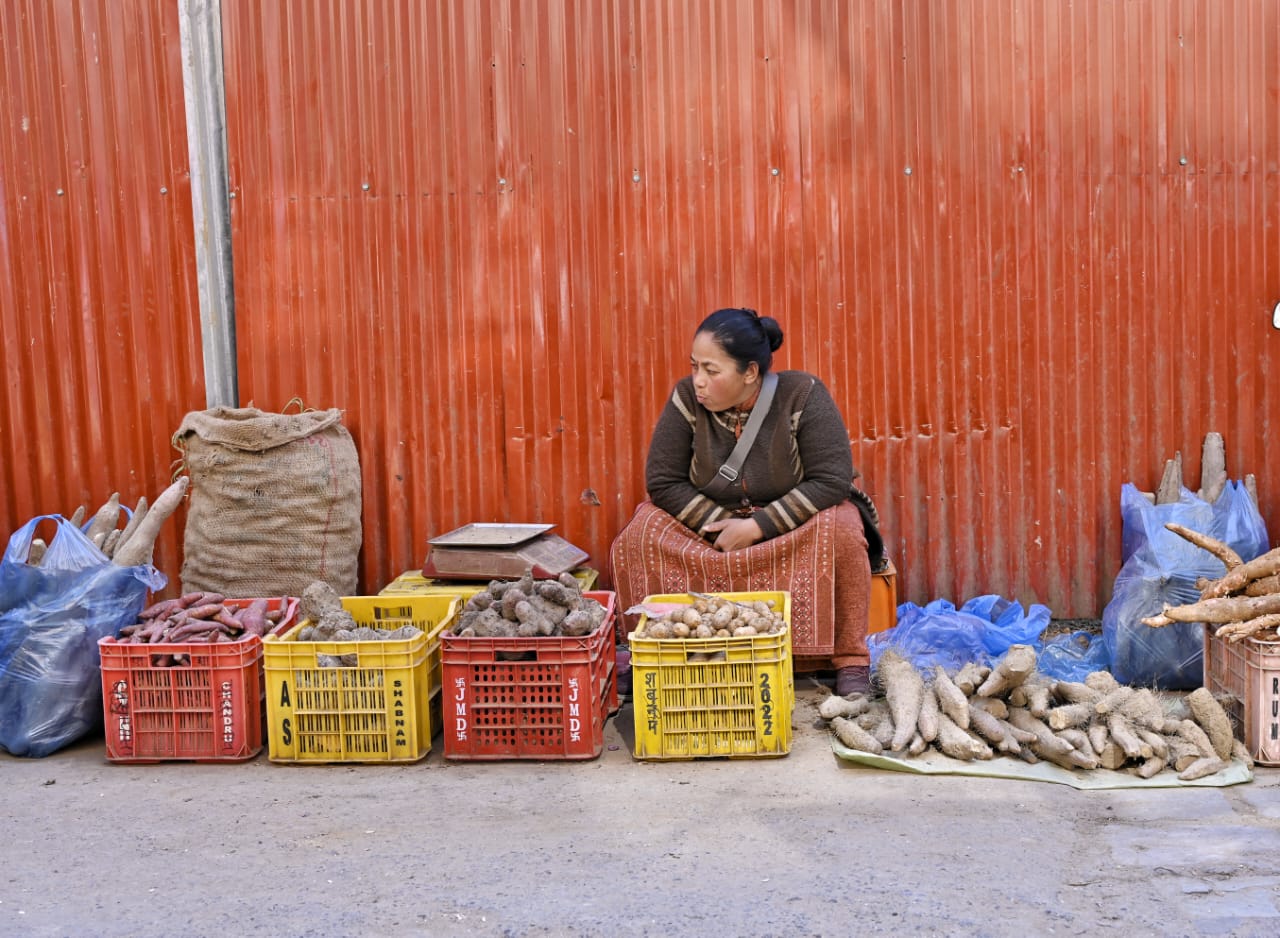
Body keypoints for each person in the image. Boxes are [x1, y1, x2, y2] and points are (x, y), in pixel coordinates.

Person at [609, 307, 883, 696]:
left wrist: (756, 528)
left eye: (711, 370)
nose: (698, 381)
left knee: (842, 529)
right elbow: (663, 480)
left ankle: (849, 660)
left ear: (750, 373)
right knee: (637, 536)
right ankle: (650, 653)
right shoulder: (686, 398)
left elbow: (832, 479)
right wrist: (720, 524)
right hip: (710, 532)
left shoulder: (802, 395)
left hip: (788, 530)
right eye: (694, 367)